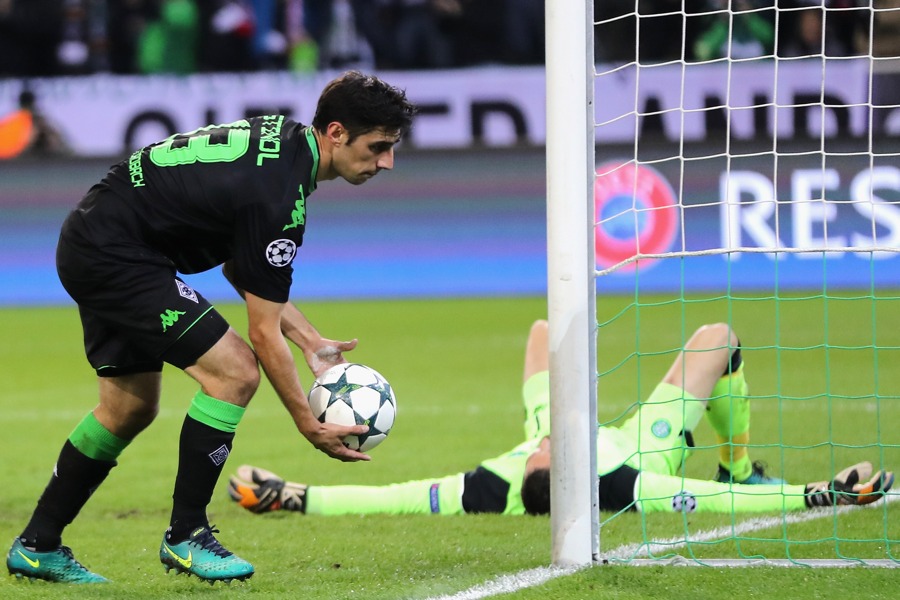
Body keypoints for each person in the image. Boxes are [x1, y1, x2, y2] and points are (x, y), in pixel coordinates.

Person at [5, 70, 416, 584]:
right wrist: (307, 424)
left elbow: (240, 266)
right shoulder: (278, 195)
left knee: (128, 408)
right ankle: (187, 536)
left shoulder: (283, 146)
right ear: (336, 133)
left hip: (99, 236)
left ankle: (38, 545)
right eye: (378, 147)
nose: (386, 161)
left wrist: (311, 343)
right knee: (236, 371)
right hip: (117, 253)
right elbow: (263, 333)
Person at [229, 320, 894, 518]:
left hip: (578, 421)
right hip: (638, 444)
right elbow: (718, 505)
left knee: (545, 330)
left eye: (537, 451)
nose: (537, 448)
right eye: (547, 450)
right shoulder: (628, 487)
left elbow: (389, 499)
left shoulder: (500, 483)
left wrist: (292, 495)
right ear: (569, 473)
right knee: (718, 338)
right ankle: (742, 461)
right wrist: (821, 494)